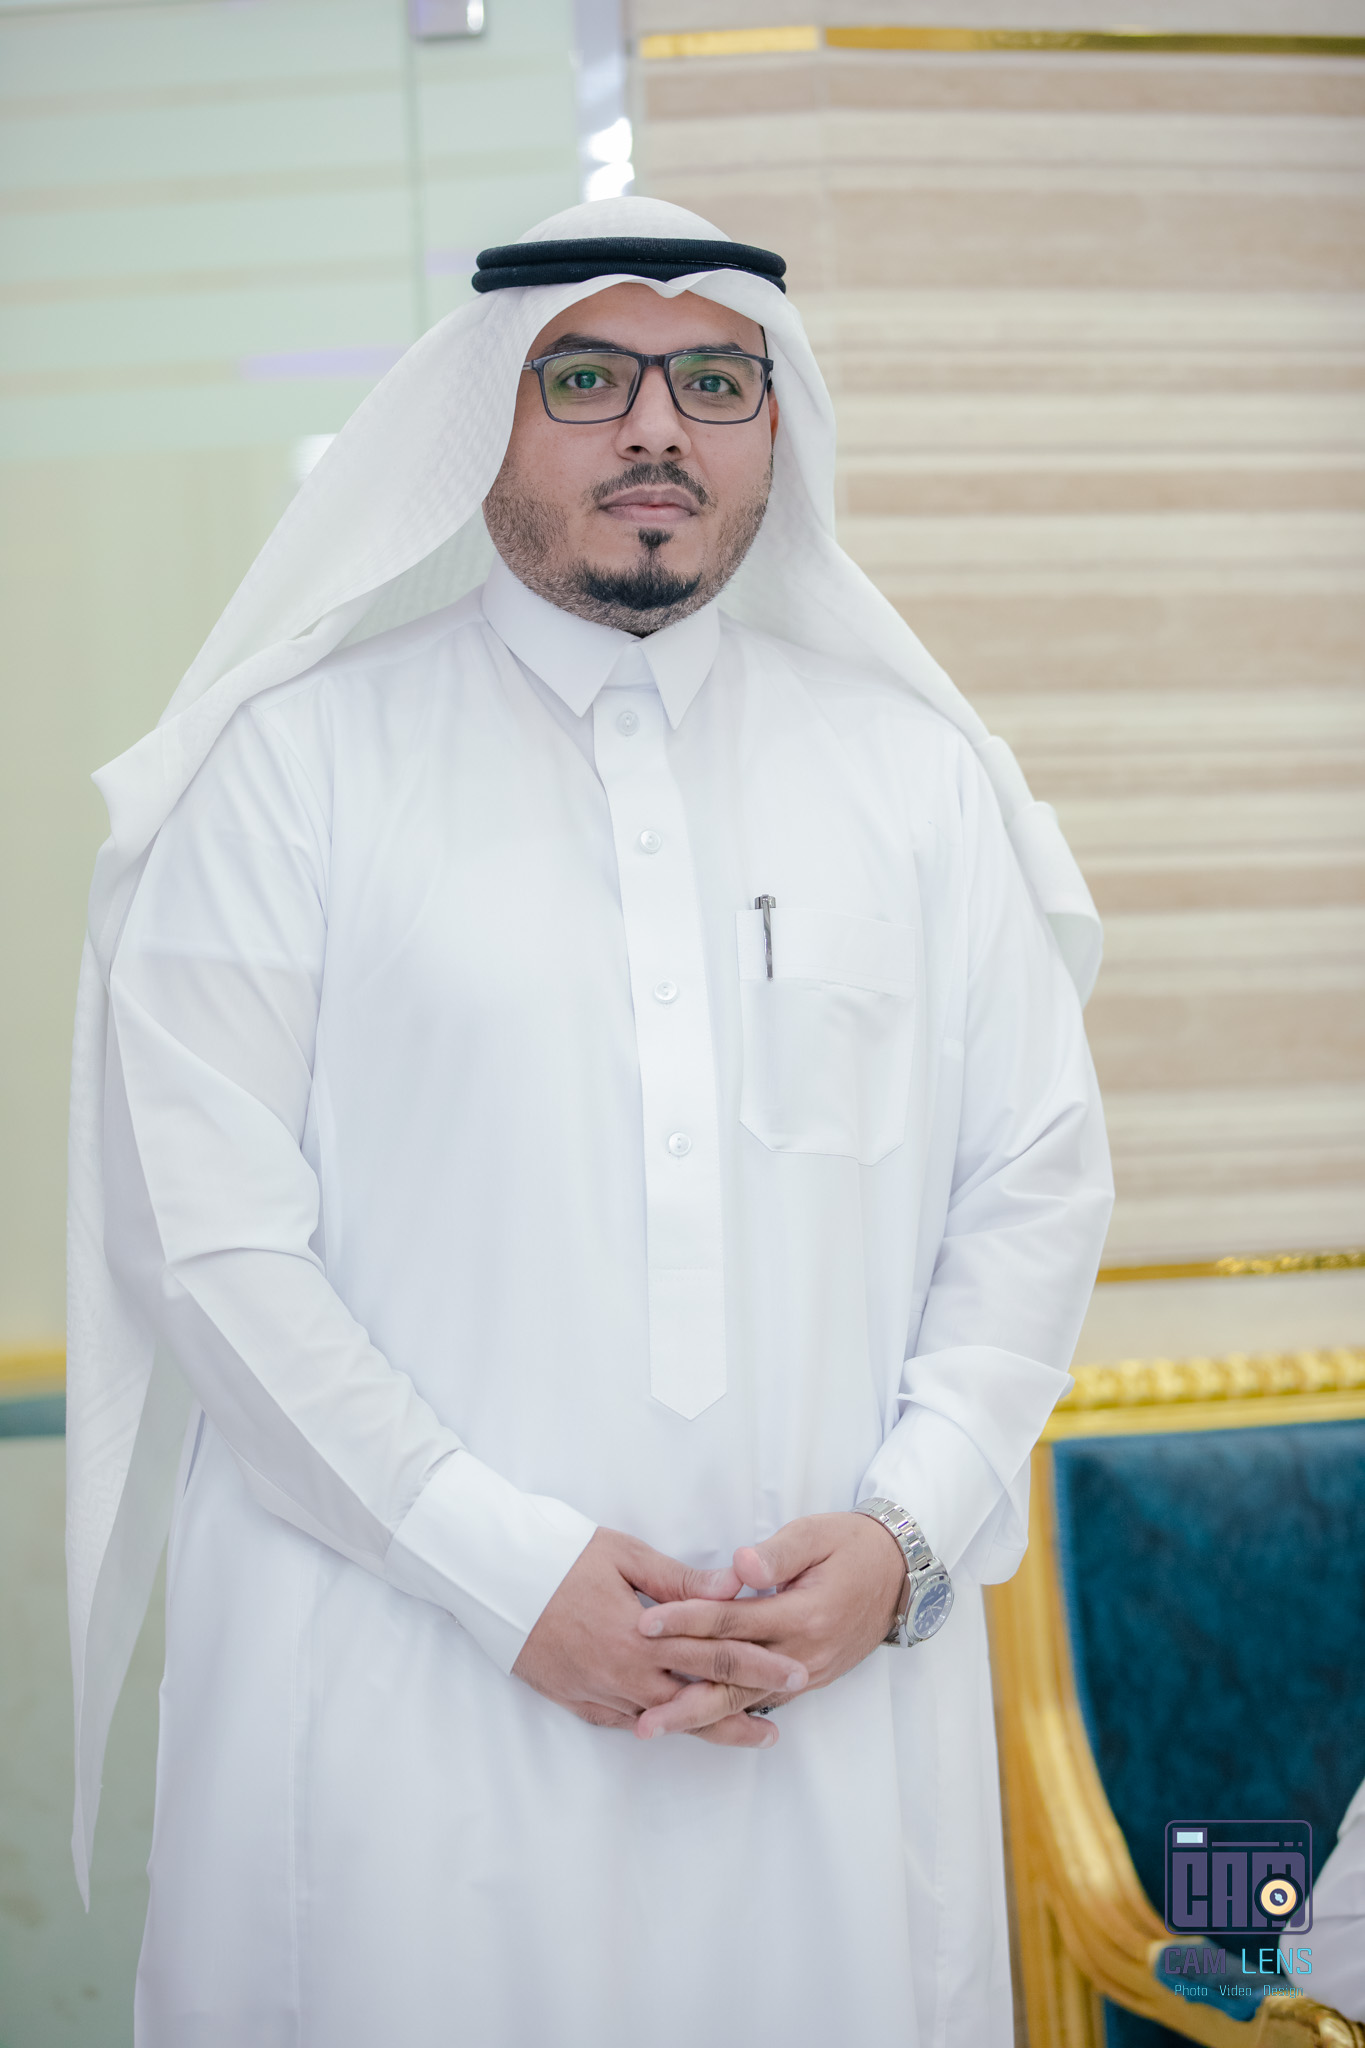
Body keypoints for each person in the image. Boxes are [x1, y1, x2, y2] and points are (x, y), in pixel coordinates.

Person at [67, 196, 1112, 2048]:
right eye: (587, 379)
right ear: (480, 411)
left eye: (713, 382)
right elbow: (206, 1243)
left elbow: (1032, 1186)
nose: (654, 429)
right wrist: (501, 1569)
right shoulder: (294, 771)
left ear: (773, 432)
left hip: (824, 1728)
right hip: (403, 1705)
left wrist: (908, 1533)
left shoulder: (916, 784)